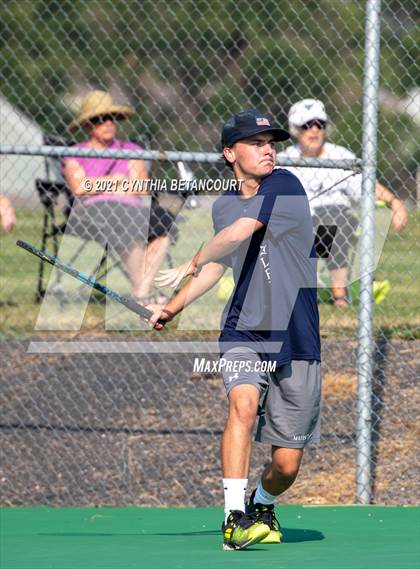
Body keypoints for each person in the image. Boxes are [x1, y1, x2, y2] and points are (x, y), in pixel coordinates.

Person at [146, 109, 322, 551]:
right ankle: (232, 517)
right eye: (256, 142)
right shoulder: (224, 202)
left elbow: (240, 233)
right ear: (230, 153)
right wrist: (173, 306)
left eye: (272, 142)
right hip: (244, 330)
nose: (268, 149)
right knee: (241, 407)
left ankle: (261, 502)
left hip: (297, 337)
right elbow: (224, 262)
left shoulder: (285, 184)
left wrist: (193, 256)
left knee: (286, 465)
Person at [278, 99, 408, 307]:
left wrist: (395, 203)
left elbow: (368, 185)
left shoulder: (341, 156)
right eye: (306, 125)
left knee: (334, 216)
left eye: (319, 124)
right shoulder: (284, 159)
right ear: (295, 130)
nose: (313, 130)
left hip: (332, 225)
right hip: (296, 228)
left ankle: (340, 297)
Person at [63, 90, 175, 303]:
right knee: (126, 223)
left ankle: (141, 293)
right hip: (94, 212)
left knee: (165, 223)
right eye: (99, 119)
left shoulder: (130, 149)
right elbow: (79, 188)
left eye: (111, 118)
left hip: (132, 208)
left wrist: (98, 184)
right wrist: (117, 180)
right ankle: (146, 296)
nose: (107, 123)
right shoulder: (76, 152)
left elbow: (141, 188)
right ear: (88, 125)